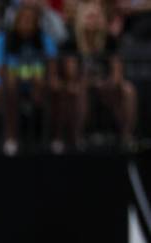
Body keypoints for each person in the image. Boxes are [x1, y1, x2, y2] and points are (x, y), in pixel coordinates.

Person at [60, 0, 137, 149]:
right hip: (81, 85)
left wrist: (109, 83)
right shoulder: (71, 42)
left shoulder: (110, 41)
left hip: (105, 85)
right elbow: (72, 75)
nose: (93, 20)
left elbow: (117, 72)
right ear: (81, 18)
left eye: (96, 16)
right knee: (78, 90)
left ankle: (126, 136)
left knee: (128, 90)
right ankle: (77, 137)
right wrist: (92, 82)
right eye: (89, 16)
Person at [0, 4, 59, 155]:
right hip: (5, 86)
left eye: (31, 20)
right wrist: (26, 75)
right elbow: (0, 71)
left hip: (35, 86)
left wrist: (44, 79)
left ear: (37, 23)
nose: (26, 23)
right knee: (11, 85)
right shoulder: (2, 39)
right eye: (23, 19)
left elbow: (51, 68)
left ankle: (54, 137)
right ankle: (10, 137)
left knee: (54, 88)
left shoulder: (44, 39)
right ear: (16, 21)